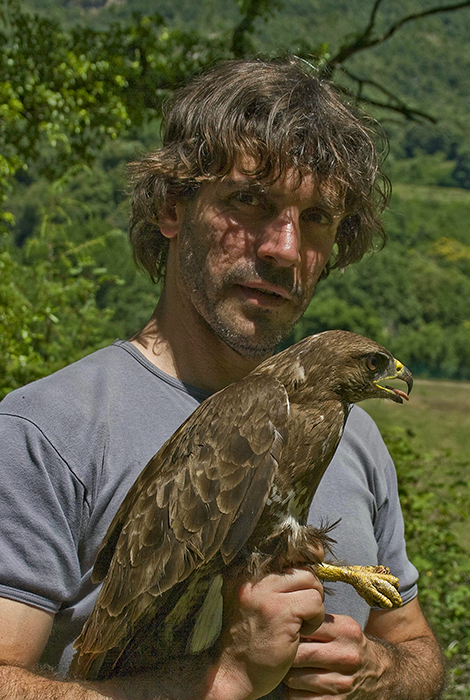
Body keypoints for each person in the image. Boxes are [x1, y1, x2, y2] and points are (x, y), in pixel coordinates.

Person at [0, 57, 444, 700]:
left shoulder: (356, 436)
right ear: (172, 209)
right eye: (250, 202)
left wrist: (375, 669)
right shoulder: (46, 430)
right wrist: (225, 676)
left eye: (316, 217)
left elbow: (416, 652)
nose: (284, 248)